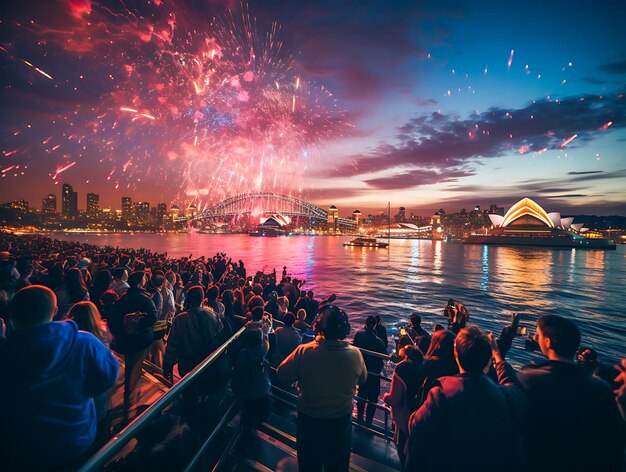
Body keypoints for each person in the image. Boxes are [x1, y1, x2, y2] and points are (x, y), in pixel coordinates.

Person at [0, 286, 119, 471]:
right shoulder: (84, 342)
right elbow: (108, 377)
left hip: (21, 447)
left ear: (12, 315)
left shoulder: (5, 352)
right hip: (76, 439)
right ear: (55, 311)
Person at [405, 326, 525, 472]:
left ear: (456, 353)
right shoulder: (506, 396)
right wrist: (498, 357)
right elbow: (512, 384)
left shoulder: (440, 394)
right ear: (488, 358)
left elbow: (415, 425)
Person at [518, 315, 624, 472]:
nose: (535, 337)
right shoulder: (601, 387)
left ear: (548, 342)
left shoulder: (528, 379)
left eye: (538, 334)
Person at [277, 305, 367, 472]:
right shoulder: (356, 354)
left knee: (309, 466)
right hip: (341, 424)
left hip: (309, 422)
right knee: (338, 466)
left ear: (318, 327)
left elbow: (282, 375)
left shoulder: (305, 351)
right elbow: (363, 379)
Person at [107, 270, 158, 419]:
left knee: (131, 365)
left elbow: (113, 318)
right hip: (140, 339)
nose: (146, 280)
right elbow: (153, 317)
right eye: (144, 278)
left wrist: (121, 333)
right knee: (134, 367)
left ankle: (130, 394)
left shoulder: (123, 298)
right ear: (138, 282)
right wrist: (139, 324)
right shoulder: (144, 298)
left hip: (126, 340)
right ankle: (129, 405)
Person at [383, 345, 424, 468]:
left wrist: (385, 397)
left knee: (404, 455)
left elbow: (395, 400)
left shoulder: (401, 369)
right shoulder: (424, 367)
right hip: (420, 419)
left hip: (405, 421)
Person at [230, 328, 272, 443]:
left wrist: (235, 388)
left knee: (247, 413)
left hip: (247, 391)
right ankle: (255, 424)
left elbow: (237, 372)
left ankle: (245, 435)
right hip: (263, 389)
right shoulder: (264, 349)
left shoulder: (243, 353)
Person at [352, 315, 388, 425]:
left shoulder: (358, 335)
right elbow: (385, 355)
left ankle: (359, 420)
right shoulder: (378, 341)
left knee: (361, 396)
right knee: (372, 399)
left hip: (361, 371)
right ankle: (368, 423)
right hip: (373, 375)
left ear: (366, 324)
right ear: (375, 326)